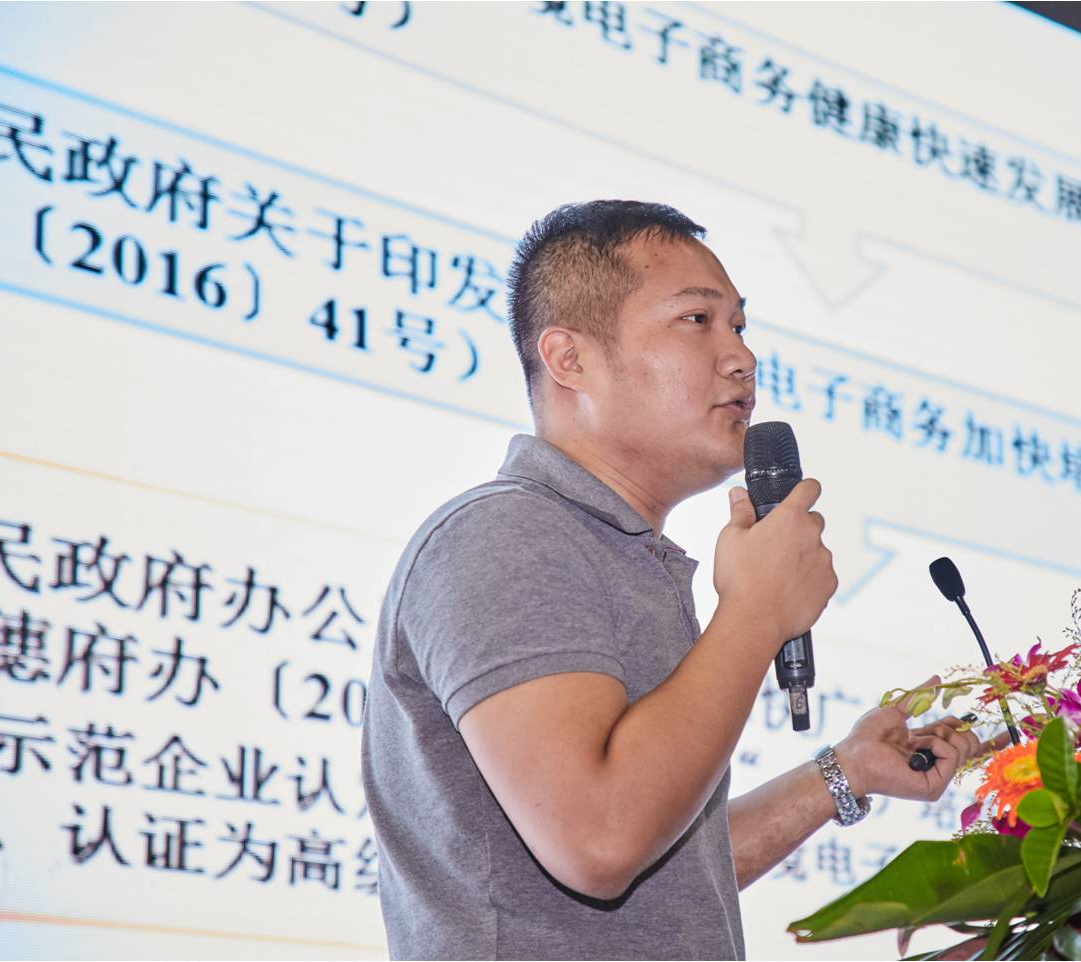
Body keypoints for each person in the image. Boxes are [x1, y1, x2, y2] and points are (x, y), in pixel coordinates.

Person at [361, 200, 1000, 960]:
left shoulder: (624, 554)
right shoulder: (505, 534)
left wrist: (846, 772)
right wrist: (756, 612)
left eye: (739, 325)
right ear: (570, 360)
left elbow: (669, 883)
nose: (742, 358)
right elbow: (600, 840)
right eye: (697, 321)